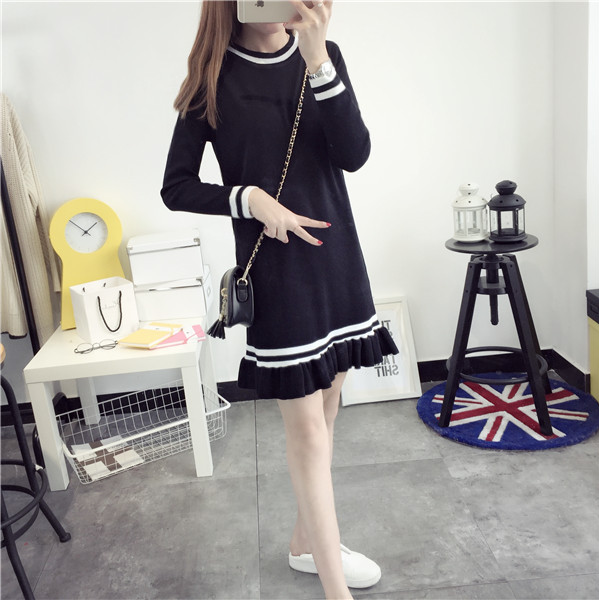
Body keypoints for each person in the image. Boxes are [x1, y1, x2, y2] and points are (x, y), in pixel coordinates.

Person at [161, 2, 398, 598]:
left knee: (329, 410)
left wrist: (318, 61)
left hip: (337, 260)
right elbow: (176, 186)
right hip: (278, 276)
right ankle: (336, 589)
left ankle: (305, 545)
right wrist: (249, 199)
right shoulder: (210, 78)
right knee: (308, 432)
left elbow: (354, 154)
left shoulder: (323, 57)